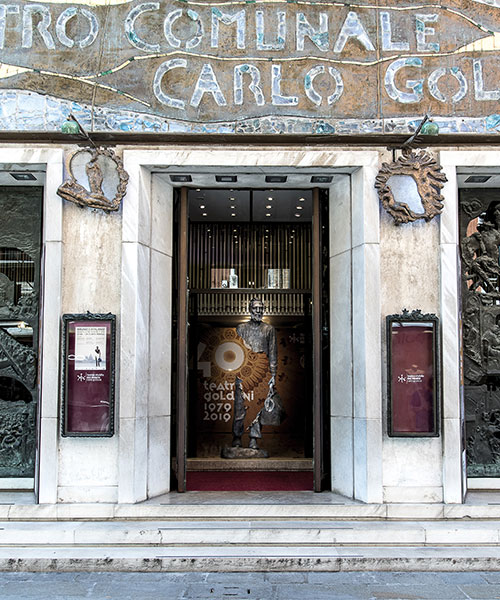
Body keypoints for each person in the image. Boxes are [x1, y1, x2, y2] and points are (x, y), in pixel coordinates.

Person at [233, 298, 278, 450]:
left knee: (258, 408)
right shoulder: (241, 328)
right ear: (249, 309)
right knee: (240, 406)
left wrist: (273, 375)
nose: (258, 311)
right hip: (243, 372)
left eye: (261, 308)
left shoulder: (268, 330)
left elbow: (273, 352)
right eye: (255, 308)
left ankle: (254, 438)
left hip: (263, 373)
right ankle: (237, 436)